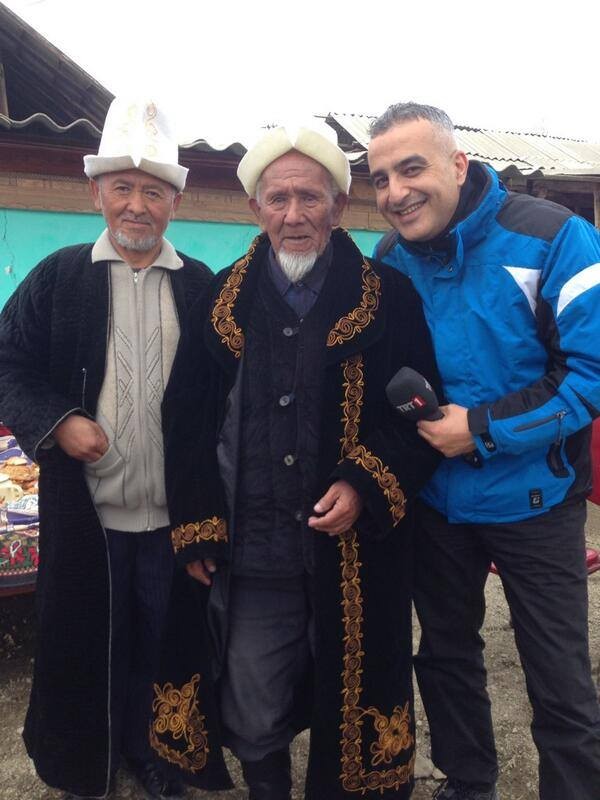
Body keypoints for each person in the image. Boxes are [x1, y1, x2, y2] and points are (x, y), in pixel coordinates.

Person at [150, 121, 443, 800]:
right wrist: (195, 528)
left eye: (310, 198)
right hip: (255, 557)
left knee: (359, 698)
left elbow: (419, 410)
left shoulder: (389, 298)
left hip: (356, 556)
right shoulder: (218, 300)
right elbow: (185, 422)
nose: (294, 215)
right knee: (252, 705)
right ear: (254, 208)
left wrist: (365, 483)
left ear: (338, 206)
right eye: (277, 200)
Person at [367, 101, 600, 800]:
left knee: (558, 677)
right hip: (437, 502)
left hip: (537, 499)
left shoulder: (558, 237)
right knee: (444, 660)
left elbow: (591, 375)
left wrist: (484, 429)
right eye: (379, 178)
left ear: (458, 164)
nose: (396, 192)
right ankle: (468, 784)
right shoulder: (389, 260)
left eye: (412, 168)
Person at [0, 97, 213, 800]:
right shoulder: (60, 277)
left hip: (172, 518)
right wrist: (58, 420)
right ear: (96, 192)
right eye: (121, 187)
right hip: (86, 514)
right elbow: (7, 363)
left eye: (153, 190)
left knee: (165, 645)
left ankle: (158, 757)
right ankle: (87, 765)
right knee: (88, 644)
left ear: (175, 202)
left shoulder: (202, 287)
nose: (136, 205)